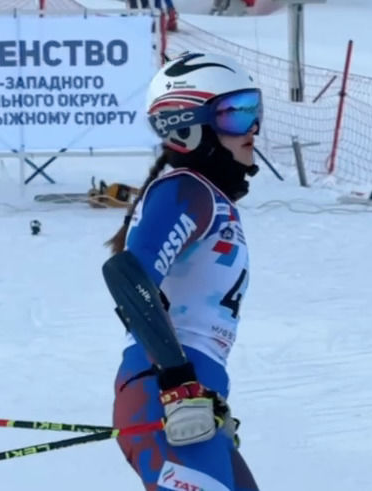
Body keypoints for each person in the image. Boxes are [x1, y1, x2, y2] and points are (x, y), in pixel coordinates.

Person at [102, 52, 262, 490]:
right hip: (165, 393)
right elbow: (127, 275)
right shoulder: (186, 190)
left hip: (194, 393)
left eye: (253, 109)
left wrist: (198, 391)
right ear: (187, 126)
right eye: (233, 114)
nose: (251, 127)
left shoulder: (209, 198)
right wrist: (177, 382)